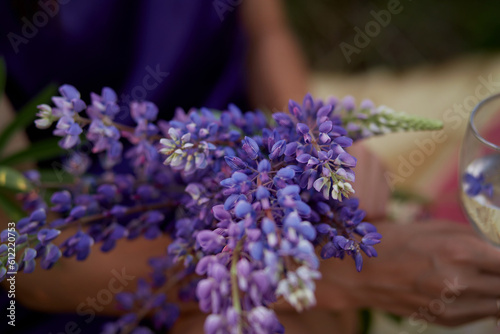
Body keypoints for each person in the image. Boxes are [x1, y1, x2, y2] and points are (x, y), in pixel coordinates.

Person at [1, 1, 500, 333]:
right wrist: (319, 272)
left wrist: (310, 139)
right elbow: (11, 257)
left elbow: (266, 30)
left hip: (250, 160)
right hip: (101, 265)